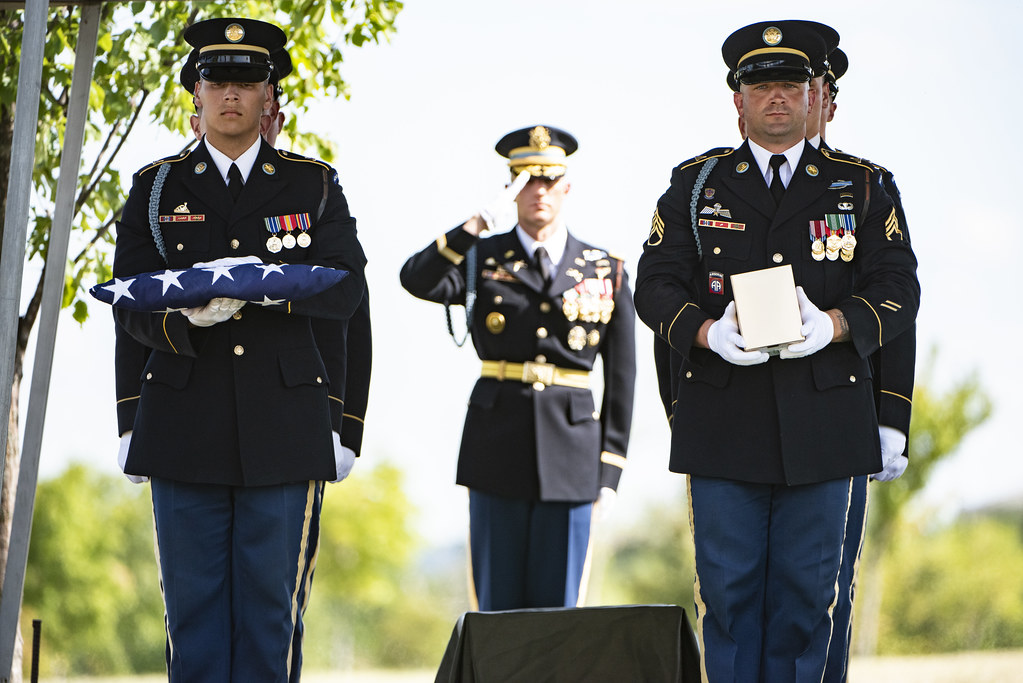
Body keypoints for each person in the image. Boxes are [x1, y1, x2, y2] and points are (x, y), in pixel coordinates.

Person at [634, 20, 919, 681]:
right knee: (728, 602)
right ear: (737, 100)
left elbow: (898, 288)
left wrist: (835, 325)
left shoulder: (863, 186)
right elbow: (654, 285)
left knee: (808, 606)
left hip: (825, 424)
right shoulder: (695, 184)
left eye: (791, 84)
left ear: (815, 93)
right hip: (723, 421)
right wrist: (705, 332)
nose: (777, 97)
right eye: (760, 86)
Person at [110, 17, 367, 681]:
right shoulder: (156, 187)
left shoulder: (312, 186)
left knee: (270, 619)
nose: (231, 94)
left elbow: (346, 293)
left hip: (284, 426)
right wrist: (177, 331)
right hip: (181, 423)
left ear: (268, 95)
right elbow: (130, 304)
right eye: (216, 80)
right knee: (192, 619)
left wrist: (266, 290)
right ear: (194, 92)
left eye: (247, 81)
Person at [400, 125, 636, 611]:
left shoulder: (605, 268)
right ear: (510, 188)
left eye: (549, 179)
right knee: (497, 611)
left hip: (573, 457)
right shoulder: (480, 258)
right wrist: (474, 225)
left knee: (560, 615)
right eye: (526, 180)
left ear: (567, 186)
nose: (539, 190)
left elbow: (622, 379)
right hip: (496, 448)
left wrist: (610, 470)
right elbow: (416, 279)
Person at [811, 44, 917, 683]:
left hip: (841, 413)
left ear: (830, 103)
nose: (805, 99)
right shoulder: (718, 185)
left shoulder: (868, 186)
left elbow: (896, 308)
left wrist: (890, 418)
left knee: (828, 594)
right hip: (743, 418)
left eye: (817, 88)